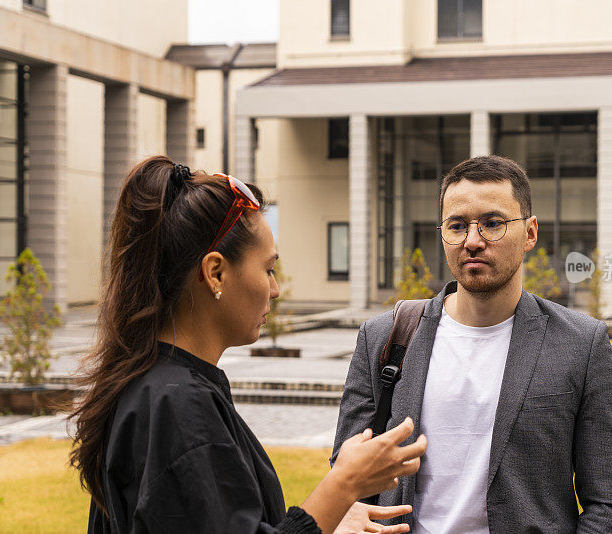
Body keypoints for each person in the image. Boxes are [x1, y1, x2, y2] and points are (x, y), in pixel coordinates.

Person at [69, 155, 427, 534]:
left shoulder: (154, 384)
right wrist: (344, 485)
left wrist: (328, 520)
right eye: (268, 269)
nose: (275, 289)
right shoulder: (177, 405)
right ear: (215, 272)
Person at [333, 155, 612, 533]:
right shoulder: (384, 338)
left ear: (530, 233)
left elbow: (609, 505)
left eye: (493, 223)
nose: (473, 241)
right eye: (457, 226)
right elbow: (344, 479)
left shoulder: (582, 345)